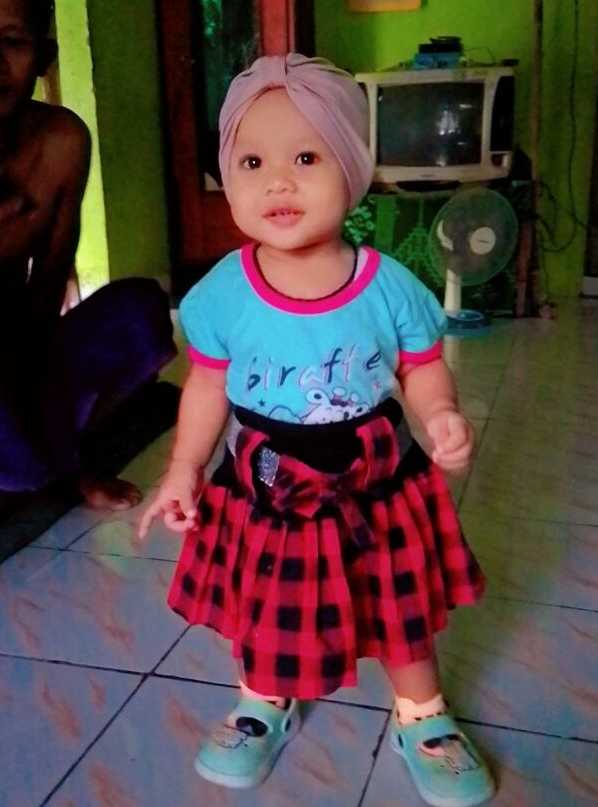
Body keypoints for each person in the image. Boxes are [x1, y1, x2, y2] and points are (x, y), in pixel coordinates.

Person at [140, 54, 495, 806]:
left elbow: (421, 365)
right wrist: (183, 467)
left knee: (400, 608)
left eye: (306, 158)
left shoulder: (387, 283)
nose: (279, 182)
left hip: (378, 483)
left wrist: (440, 414)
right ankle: (263, 697)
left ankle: (421, 711)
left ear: (352, 167)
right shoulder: (224, 292)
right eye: (253, 162)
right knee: (269, 605)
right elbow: (206, 384)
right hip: (267, 488)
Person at [0, 0, 176, 510]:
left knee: (141, 309)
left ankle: (43, 455)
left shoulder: (62, 142)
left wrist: (28, 378)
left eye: (11, 41)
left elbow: (51, 277)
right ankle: (51, 465)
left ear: (44, 57)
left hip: (17, 343)